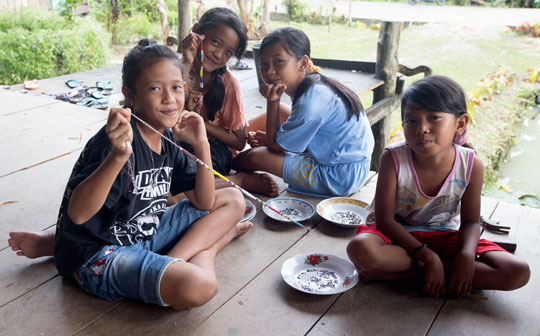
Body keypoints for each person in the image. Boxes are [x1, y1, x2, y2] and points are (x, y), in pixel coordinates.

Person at [9, 39, 253, 308]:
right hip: (99, 255)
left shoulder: (167, 138)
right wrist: (117, 156)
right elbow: (78, 214)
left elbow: (204, 202)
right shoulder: (117, 141)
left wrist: (201, 144)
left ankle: (172, 261)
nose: (169, 98)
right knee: (200, 286)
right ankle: (209, 248)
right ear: (131, 94)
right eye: (155, 88)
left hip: (141, 235)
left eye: (176, 87)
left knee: (234, 199)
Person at [346, 75, 530, 297]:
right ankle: (440, 270)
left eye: (434, 117)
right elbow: (385, 221)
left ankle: (401, 276)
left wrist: (466, 255)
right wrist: (427, 256)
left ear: (460, 124)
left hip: (445, 235)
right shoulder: (393, 158)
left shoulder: (471, 164)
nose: (421, 128)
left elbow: (471, 222)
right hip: (396, 236)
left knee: (517, 272)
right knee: (361, 249)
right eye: (411, 120)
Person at [233, 27, 375, 197]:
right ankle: (233, 138)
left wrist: (273, 102)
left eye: (278, 61)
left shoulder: (311, 104)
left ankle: (232, 165)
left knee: (252, 157)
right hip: (347, 163)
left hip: (338, 177)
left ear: (303, 63)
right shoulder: (316, 84)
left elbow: (273, 146)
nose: (269, 71)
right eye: (264, 63)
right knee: (283, 112)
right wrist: (275, 140)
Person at [179, 7, 279, 197]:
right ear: (197, 32)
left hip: (215, 150)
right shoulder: (176, 68)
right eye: (215, 42)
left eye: (228, 52)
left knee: (186, 174)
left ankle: (238, 181)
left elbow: (239, 142)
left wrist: (202, 124)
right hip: (179, 143)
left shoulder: (228, 83)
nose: (218, 55)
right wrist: (186, 61)